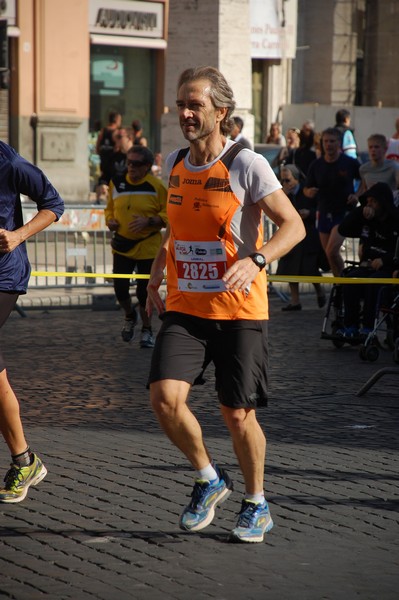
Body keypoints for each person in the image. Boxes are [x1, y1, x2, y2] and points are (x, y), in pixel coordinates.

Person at [145, 66, 305, 543]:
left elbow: (293, 227)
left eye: (196, 105)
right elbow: (177, 230)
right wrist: (157, 271)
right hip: (185, 306)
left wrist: (257, 259)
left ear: (222, 111)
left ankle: (256, 502)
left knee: (237, 414)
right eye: (181, 105)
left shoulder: (247, 164)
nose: (186, 114)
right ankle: (209, 477)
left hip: (239, 311)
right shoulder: (173, 162)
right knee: (164, 398)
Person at [0, 141, 64, 503]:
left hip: (3, 275)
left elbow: (54, 204)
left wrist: (16, 236)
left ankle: (24, 461)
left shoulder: (7, 161)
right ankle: (24, 461)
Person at [105, 145, 167, 348]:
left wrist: (149, 221)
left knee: (143, 292)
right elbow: (109, 209)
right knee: (120, 289)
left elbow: (170, 215)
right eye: (128, 162)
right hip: (122, 245)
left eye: (136, 164)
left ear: (147, 166)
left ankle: (147, 329)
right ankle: (130, 316)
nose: (131, 167)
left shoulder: (156, 186)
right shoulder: (117, 183)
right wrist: (110, 220)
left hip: (148, 247)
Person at [336, 182, 399, 338]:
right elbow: (343, 229)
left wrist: (386, 260)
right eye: (368, 201)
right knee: (350, 279)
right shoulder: (367, 219)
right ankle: (351, 325)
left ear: (383, 203)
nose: (369, 205)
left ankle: (368, 327)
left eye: (373, 201)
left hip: (388, 268)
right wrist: (360, 210)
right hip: (367, 266)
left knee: (373, 283)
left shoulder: (396, 220)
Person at [304, 127, 360, 276]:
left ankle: (343, 283)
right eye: (326, 141)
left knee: (332, 251)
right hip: (323, 212)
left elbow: (364, 180)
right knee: (329, 255)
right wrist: (309, 192)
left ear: (339, 143)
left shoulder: (350, 162)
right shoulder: (316, 165)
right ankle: (339, 285)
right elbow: (306, 188)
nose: (328, 144)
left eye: (332, 141)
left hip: (343, 212)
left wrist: (357, 195)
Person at [277, 165, 326, 311]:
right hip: (291, 235)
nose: (285, 183)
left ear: (296, 178)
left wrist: (309, 213)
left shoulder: (307, 191)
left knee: (310, 268)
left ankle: (319, 291)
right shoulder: (283, 194)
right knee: (290, 266)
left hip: (309, 233)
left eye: (288, 180)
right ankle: (295, 301)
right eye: (283, 180)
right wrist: (284, 196)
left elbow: (321, 208)